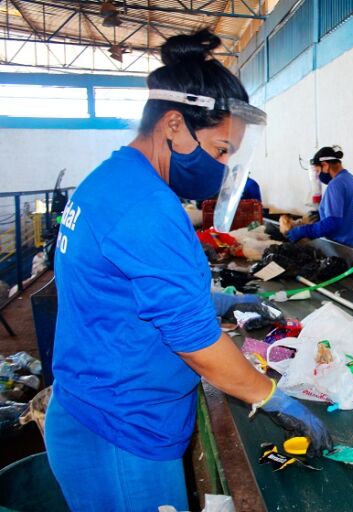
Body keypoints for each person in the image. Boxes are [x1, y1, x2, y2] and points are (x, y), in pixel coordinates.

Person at [45, 30, 332, 511]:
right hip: (123, 428)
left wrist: (224, 301)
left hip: (93, 402)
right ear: (174, 125)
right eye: (220, 149)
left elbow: (124, 291)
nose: (221, 166)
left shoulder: (111, 180)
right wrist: (272, 398)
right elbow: (196, 343)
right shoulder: (148, 206)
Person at [281, 146, 353, 251]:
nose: (318, 175)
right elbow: (349, 214)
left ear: (325, 165)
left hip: (345, 249)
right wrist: (320, 215)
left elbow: (332, 223)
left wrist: (303, 231)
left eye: (318, 171)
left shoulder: (336, 184)